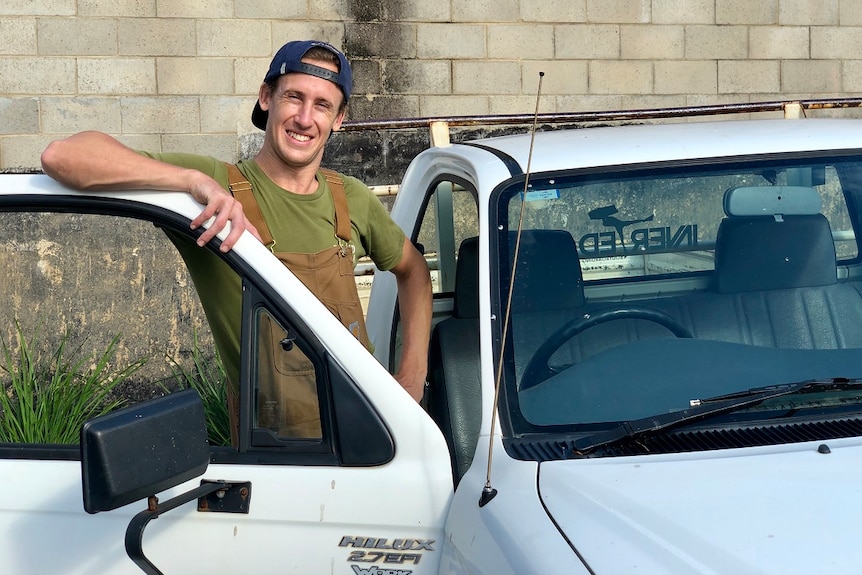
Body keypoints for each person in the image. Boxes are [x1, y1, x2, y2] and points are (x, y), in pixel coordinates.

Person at [41, 40, 432, 439]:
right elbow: (62, 157)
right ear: (266, 98)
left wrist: (413, 375)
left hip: (370, 439)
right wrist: (192, 182)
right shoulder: (219, 190)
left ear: (339, 119)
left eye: (322, 105)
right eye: (293, 97)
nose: (304, 117)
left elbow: (414, 271)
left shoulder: (349, 198)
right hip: (276, 459)